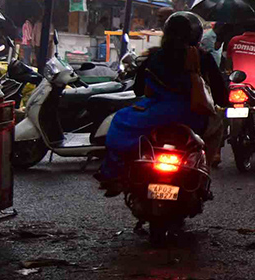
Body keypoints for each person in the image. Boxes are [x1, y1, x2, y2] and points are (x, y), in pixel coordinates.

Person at [95, 11, 227, 194]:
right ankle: (204, 175)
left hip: (153, 115)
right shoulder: (203, 58)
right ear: (196, 35)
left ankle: (113, 174)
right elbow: (221, 96)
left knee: (118, 122)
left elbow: (138, 89)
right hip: (193, 116)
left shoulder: (154, 56)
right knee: (217, 127)